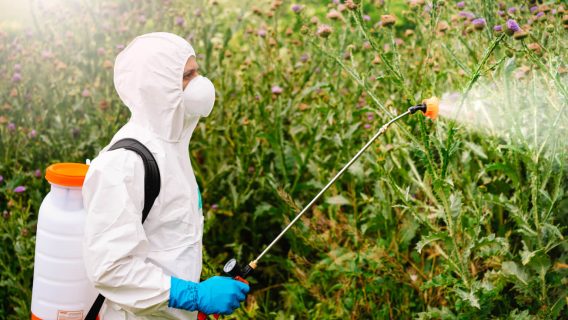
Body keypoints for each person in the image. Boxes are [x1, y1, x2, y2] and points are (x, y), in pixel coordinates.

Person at [82, 32, 249, 319]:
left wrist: (200, 294)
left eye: (197, 71)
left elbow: (169, 243)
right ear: (157, 87)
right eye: (187, 75)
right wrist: (194, 296)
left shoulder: (172, 148)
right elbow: (111, 269)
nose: (200, 83)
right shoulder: (123, 164)